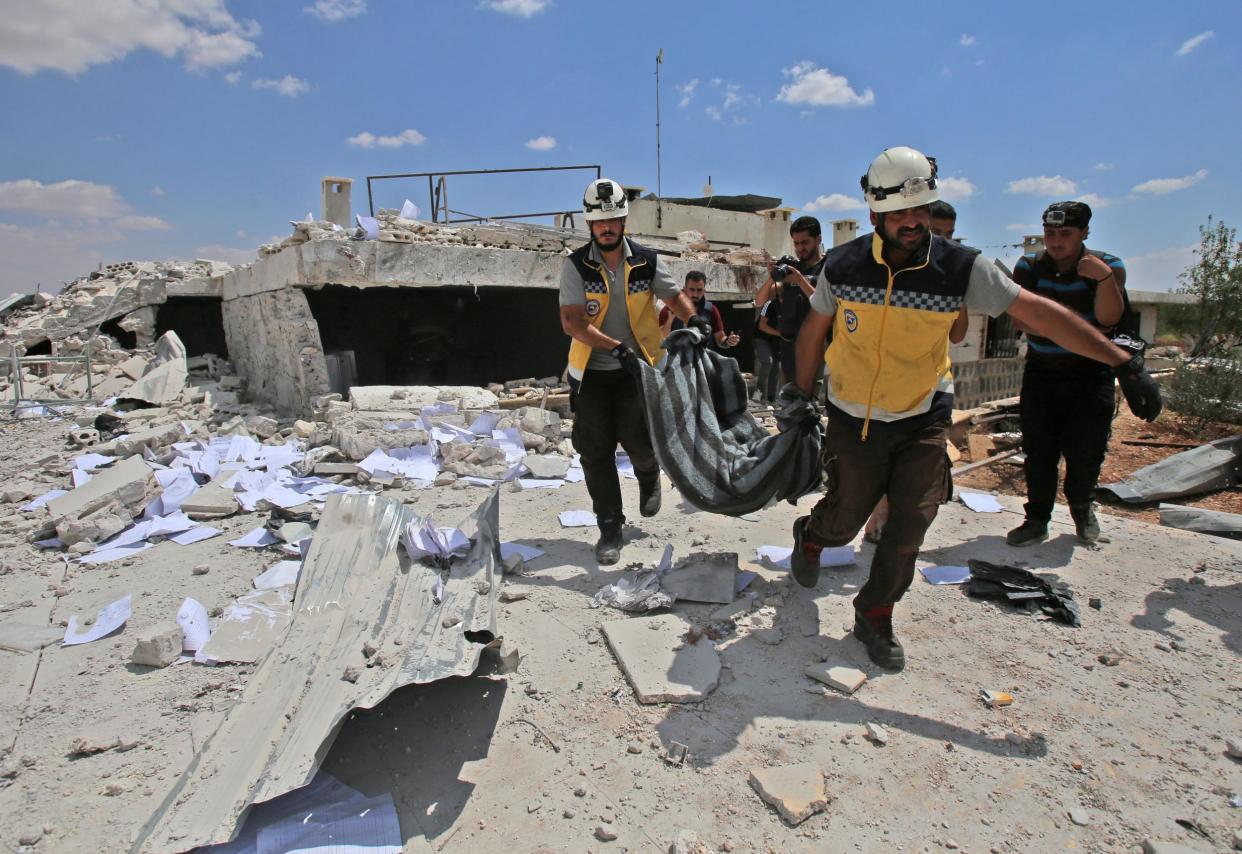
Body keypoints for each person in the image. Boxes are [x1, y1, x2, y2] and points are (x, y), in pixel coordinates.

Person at [788, 146, 1161, 671]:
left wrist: (1123, 361)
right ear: (875, 215)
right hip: (854, 414)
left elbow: (1040, 315)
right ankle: (813, 536)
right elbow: (813, 331)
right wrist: (799, 397)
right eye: (900, 213)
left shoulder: (960, 269)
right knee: (846, 517)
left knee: (911, 521)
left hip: (924, 412)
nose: (913, 221)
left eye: (922, 209)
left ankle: (875, 612)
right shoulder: (844, 264)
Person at [559, 178, 704, 566]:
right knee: (595, 452)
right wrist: (614, 347)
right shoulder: (577, 266)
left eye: (613, 221)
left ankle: (647, 472)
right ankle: (610, 527)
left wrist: (695, 322)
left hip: (639, 368)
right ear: (589, 224)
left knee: (639, 437)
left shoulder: (646, 260)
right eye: (598, 222)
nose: (606, 228)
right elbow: (573, 323)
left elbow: (675, 295)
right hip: (593, 372)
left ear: (623, 220)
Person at [1005, 201, 1130, 547]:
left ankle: (1082, 511)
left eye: (1065, 234)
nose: (1056, 242)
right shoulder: (1029, 266)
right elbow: (1020, 318)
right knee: (1039, 449)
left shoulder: (1109, 266)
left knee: (1085, 449)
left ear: (1084, 233)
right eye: (1049, 234)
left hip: (1091, 375)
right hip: (1043, 372)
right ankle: (1036, 519)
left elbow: (1108, 320)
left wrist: (1102, 279)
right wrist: (1076, 331)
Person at [863, 200, 967, 544]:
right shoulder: (884, 270)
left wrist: (956, 293)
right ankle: (879, 520)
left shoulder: (949, 273)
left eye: (950, 235)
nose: (945, 242)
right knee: (883, 461)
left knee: (917, 466)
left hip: (932, 385)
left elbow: (957, 333)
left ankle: (898, 532)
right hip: (886, 385)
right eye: (939, 234)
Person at [755, 216, 826, 383]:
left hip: (817, 348)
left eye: (805, 242)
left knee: (811, 404)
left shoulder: (827, 268)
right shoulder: (792, 269)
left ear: (818, 239)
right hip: (789, 348)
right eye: (796, 243)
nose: (800, 248)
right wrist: (772, 276)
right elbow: (759, 301)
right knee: (788, 403)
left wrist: (800, 280)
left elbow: (824, 304)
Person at [659, 270, 741, 350]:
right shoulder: (670, 307)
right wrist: (670, 319)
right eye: (692, 289)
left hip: (703, 361)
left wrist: (729, 341)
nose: (695, 294)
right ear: (685, 288)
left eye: (699, 290)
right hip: (676, 361)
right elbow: (661, 339)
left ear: (704, 290)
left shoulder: (711, 310)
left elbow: (720, 340)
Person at [752, 293, 781, 403]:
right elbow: (762, 326)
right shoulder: (769, 304)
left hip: (776, 340)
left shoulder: (792, 305)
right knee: (768, 362)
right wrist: (779, 334)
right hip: (761, 338)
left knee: (777, 366)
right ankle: (759, 394)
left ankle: (771, 399)